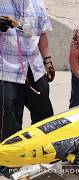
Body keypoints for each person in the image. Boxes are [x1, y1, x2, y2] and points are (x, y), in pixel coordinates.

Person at [0, 0, 54, 141]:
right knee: (9, 124)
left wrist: (47, 61)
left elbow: (42, 35)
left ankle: (42, 152)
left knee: (45, 117)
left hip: (35, 69)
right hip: (7, 71)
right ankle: (8, 160)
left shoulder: (38, 4)